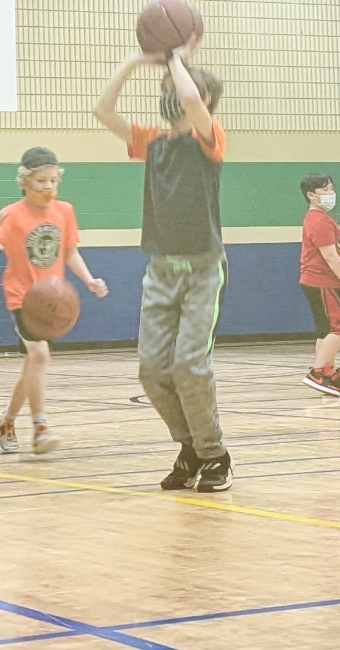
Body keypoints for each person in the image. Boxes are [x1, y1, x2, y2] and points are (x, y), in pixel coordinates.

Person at [93, 40, 232, 492]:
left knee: (190, 365)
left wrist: (175, 56)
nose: (170, 91)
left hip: (203, 271)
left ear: (203, 99)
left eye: (175, 85)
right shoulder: (151, 143)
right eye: (166, 86)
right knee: (152, 371)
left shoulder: (209, 137)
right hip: (160, 272)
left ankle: (215, 456)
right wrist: (136, 60)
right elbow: (101, 109)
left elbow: (190, 100)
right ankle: (190, 446)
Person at [0, 147, 108, 455]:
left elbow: (70, 251)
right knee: (41, 356)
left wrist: (89, 280)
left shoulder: (65, 211)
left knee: (34, 363)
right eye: (40, 182)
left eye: (52, 181)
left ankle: (8, 421)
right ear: (25, 182)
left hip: (52, 302)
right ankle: (40, 428)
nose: (48, 188)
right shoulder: (13, 215)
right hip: (24, 298)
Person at [298, 174, 340, 396]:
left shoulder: (315, 218)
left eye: (331, 188)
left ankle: (331, 375)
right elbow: (330, 256)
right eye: (325, 190)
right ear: (311, 196)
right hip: (323, 281)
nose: (331, 193)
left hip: (314, 281)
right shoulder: (321, 221)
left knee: (325, 332)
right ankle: (318, 373)